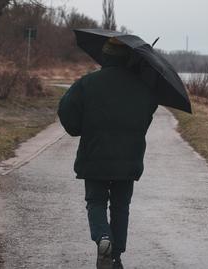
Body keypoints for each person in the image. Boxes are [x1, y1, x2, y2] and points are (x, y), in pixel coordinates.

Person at [58, 38, 158, 269]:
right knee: (121, 206)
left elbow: (66, 110)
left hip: (94, 155)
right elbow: (147, 114)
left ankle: (103, 238)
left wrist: (79, 128)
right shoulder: (142, 87)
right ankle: (116, 257)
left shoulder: (88, 83)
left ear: (105, 58)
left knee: (96, 202)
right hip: (128, 157)